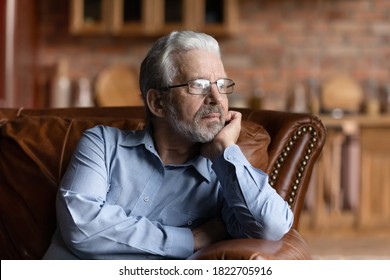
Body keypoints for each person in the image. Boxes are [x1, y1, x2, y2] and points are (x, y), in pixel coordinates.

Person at [43, 30, 293, 260]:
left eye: (221, 85)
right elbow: (81, 226)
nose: (217, 98)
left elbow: (272, 226)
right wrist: (191, 239)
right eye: (199, 85)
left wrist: (225, 151)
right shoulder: (102, 145)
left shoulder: (225, 179)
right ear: (158, 103)